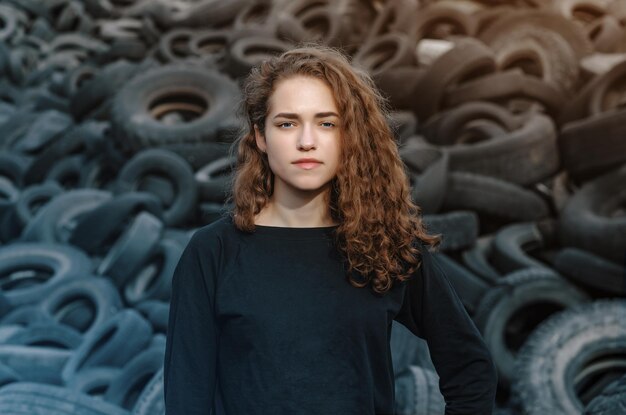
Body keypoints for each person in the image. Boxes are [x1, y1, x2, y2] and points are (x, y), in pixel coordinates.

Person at [163, 45, 497, 415]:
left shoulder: (384, 245)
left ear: (348, 136)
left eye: (327, 123)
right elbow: (186, 398)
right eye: (287, 123)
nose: (307, 141)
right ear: (260, 136)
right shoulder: (212, 253)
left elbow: (470, 369)